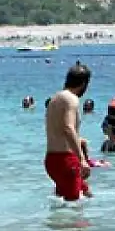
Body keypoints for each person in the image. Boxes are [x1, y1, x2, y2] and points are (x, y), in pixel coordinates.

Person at [44, 62, 92, 202]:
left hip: (51, 159)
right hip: (65, 160)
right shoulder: (71, 99)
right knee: (74, 208)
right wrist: (82, 159)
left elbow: (57, 129)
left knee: (86, 194)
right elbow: (68, 128)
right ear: (83, 83)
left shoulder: (55, 99)